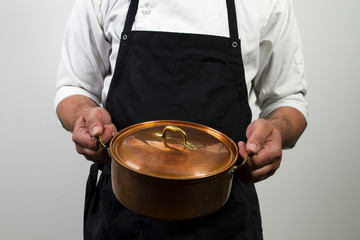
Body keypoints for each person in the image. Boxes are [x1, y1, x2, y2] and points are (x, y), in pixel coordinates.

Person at [55, 0, 308, 239]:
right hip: (122, 211)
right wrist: (84, 117)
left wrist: (276, 129)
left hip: (225, 213)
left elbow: (288, 100)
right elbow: (74, 86)